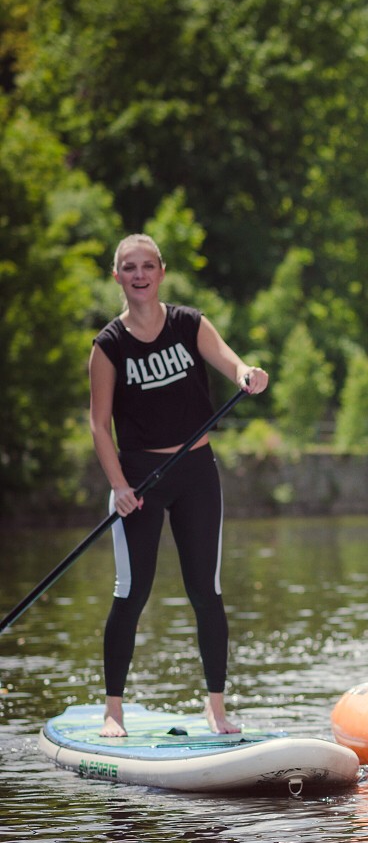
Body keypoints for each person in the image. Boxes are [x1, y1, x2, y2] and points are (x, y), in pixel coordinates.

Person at [89, 233, 270, 737]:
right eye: (129, 267)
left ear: (161, 272)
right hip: (139, 480)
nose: (140, 274)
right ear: (117, 275)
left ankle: (215, 707)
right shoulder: (108, 346)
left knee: (205, 591)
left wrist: (246, 374)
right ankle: (113, 710)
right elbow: (99, 426)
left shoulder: (189, 324)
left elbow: (232, 363)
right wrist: (120, 486)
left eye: (148, 265)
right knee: (131, 592)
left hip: (195, 473)